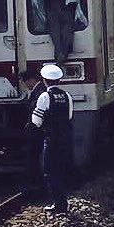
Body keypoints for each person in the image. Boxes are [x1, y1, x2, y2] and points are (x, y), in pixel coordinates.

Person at [30, 64, 74, 215]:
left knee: (49, 171)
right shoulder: (67, 96)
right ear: (59, 81)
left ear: (44, 80)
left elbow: (36, 120)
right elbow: (69, 117)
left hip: (51, 138)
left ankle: (59, 205)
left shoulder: (44, 97)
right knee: (61, 170)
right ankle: (63, 203)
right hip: (66, 138)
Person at [19, 69, 47, 178]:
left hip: (38, 130)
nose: (25, 85)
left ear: (31, 80)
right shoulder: (40, 90)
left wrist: (32, 125)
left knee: (34, 155)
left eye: (25, 82)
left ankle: (35, 178)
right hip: (38, 130)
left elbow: (37, 111)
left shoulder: (40, 92)